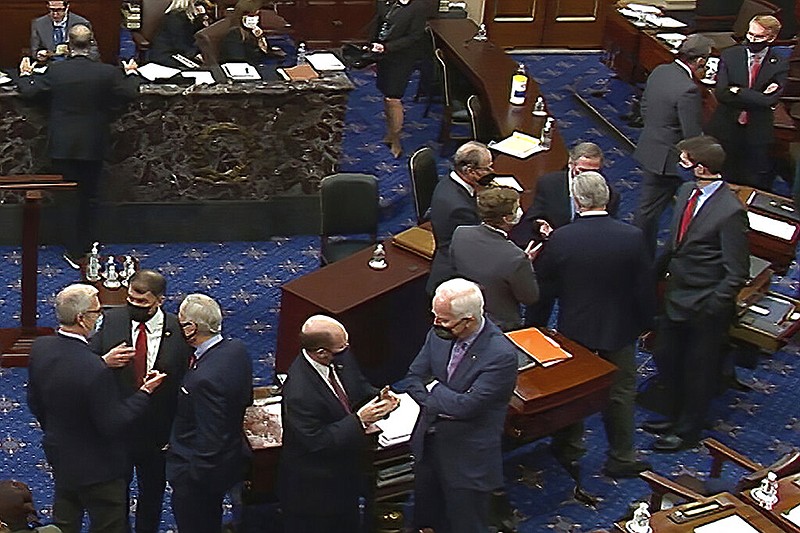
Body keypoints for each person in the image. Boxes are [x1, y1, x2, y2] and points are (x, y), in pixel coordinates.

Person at [534, 171, 655, 478]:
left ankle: (568, 447)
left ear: (576, 200)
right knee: (621, 390)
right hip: (619, 326)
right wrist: (646, 323)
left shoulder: (562, 237)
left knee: (573, 390)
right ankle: (622, 455)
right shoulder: (632, 236)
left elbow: (546, 280)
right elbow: (644, 286)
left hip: (576, 326)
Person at [27, 284, 166, 533]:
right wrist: (145, 393)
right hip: (100, 470)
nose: (100, 317)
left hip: (61, 457)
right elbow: (114, 422)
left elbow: (34, 402)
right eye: (97, 312)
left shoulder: (41, 347)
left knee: (64, 525)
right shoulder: (94, 369)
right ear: (82, 319)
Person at [646, 136, 749, 452]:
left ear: (702, 168)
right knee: (666, 356)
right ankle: (673, 414)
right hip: (675, 295)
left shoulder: (730, 212)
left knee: (697, 370)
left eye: (686, 159)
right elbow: (674, 245)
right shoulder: (686, 191)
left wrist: (713, 304)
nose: (681, 164)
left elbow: (737, 272)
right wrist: (649, 279)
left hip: (704, 306)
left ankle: (688, 431)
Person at [399, 278, 518, 533]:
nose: (435, 324)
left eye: (444, 320)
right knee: (426, 518)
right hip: (428, 444)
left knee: (466, 524)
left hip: (467, 458)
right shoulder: (438, 334)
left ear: (469, 320)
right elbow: (413, 377)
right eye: (435, 316)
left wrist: (433, 389)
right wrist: (440, 398)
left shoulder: (501, 355)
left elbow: (467, 406)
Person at [17, 24, 140, 264]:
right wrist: (132, 72)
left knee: (69, 198)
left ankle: (73, 250)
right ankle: (89, 244)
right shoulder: (107, 72)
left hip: (64, 144)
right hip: (94, 143)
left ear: (68, 44)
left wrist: (25, 75)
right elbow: (129, 92)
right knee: (91, 195)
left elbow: (30, 93)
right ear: (92, 42)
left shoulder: (56, 71)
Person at [88, 270, 192, 533]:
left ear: (159, 300)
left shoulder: (177, 330)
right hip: (118, 427)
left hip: (157, 431)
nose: (134, 305)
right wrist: (104, 362)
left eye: (142, 302)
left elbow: (186, 378)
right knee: (114, 494)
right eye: (131, 299)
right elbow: (84, 363)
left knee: (152, 493)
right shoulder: (110, 320)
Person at [279, 315, 399, 532]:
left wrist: (380, 400)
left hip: (347, 476)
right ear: (321, 353)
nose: (347, 349)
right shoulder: (299, 392)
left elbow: (358, 388)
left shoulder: (339, 357)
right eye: (342, 347)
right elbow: (318, 442)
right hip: (317, 492)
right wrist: (360, 420)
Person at [166, 294, 253, 533]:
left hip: (199, 476)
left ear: (191, 328)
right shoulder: (236, 349)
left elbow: (210, 438)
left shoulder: (203, 379)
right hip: (230, 458)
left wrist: (190, 479)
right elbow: (247, 398)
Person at [509, 142, 619, 326]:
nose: (587, 177)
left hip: (583, 264)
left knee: (576, 318)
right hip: (550, 260)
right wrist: (539, 224)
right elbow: (536, 213)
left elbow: (605, 226)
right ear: (571, 164)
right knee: (538, 312)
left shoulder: (608, 193)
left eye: (594, 172)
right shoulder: (549, 183)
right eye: (582, 171)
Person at [632, 34, 711, 258]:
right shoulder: (688, 89)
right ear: (700, 62)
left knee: (647, 208)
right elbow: (692, 134)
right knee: (658, 210)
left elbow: (645, 107)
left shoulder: (660, 71)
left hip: (651, 147)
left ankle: (640, 253)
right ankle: (642, 256)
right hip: (670, 160)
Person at [707, 15, 789, 190]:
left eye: (758, 37)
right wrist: (757, 96)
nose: (752, 39)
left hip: (756, 132)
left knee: (750, 180)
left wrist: (739, 91)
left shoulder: (779, 64)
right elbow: (722, 93)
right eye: (750, 34)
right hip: (726, 126)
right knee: (719, 177)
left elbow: (770, 100)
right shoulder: (730, 55)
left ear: (771, 38)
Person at [450, 186, 539, 331]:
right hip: (501, 324)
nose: (520, 210)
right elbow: (529, 298)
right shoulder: (515, 257)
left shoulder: (460, 233)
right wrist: (526, 264)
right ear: (507, 218)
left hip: (466, 313)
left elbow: (454, 266)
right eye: (517, 208)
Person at [427, 141, 495, 294]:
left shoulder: (448, 182)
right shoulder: (460, 209)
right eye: (487, 168)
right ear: (470, 171)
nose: (491, 171)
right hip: (454, 273)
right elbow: (475, 245)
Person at [369, 0, 432, 158]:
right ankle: (390, 133)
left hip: (403, 58)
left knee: (393, 97)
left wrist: (388, 47)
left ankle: (396, 140)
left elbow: (414, 36)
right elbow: (380, 23)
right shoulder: (387, 2)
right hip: (384, 55)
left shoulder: (418, 7)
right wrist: (373, 43)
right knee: (386, 95)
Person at [220, 0, 284, 64]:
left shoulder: (257, 32)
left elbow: (268, 53)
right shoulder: (234, 35)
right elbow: (238, 62)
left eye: (258, 14)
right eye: (252, 15)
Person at [148, 0, 206, 66]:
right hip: (166, 57)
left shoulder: (190, 16)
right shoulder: (176, 17)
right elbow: (182, 45)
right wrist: (200, 54)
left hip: (180, 54)